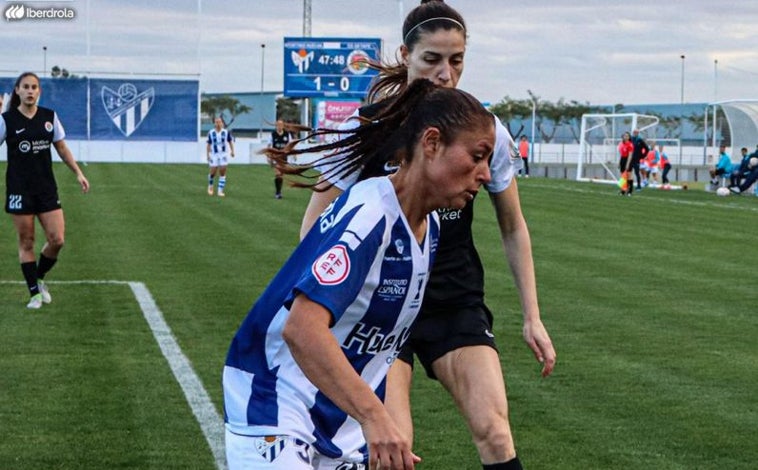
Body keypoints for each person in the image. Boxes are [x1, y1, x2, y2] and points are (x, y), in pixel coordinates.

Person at [299, 2, 556, 469]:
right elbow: (316, 225)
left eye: (456, 60)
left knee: (496, 432)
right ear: (405, 55)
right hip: (380, 307)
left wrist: (532, 316)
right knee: (393, 447)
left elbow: (513, 226)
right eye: (432, 59)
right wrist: (319, 302)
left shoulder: (486, 130)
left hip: (450, 299)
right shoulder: (368, 127)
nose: (445, 72)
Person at [223, 80, 496, 470]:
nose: (485, 174)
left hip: (341, 423)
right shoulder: (371, 216)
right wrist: (376, 415)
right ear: (431, 144)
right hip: (274, 400)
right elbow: (302, 329)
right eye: (477, 156)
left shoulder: (429, 228)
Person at [1, 72, 90, 309]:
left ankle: (39, 279)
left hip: (46, 189)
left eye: (34, 87)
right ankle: (35, 295)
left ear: (39, 91)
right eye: (25, 87)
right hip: (19, 189)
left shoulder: (49, 117)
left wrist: (78, 173)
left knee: (57, 240)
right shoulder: (6, 120)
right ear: (17, 91)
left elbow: (61, 147)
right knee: (26, 241)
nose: (30, 91)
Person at [206, 116, 235, 197]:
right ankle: (210, 186)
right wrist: (208, 155)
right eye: (216, 122)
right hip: (214, 155)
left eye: (219, 122)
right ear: (214, 123)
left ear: (222, 123)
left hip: (223, 154)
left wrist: (232, 151)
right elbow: (208, 144)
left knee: (222, 172)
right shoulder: (211, 133)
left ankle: (220, 191)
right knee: (213, 173)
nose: (218, 124)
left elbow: (230, 142)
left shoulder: (226, 132)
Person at [268, 119, 291, 199]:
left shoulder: (287, 135)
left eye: (281, 125)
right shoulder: (273, 134)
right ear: (276, 126)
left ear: (283, 126)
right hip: (276, 157)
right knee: (278, 174)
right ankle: (278, 193)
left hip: (284, 158)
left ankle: (279, 191)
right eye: (278, 125)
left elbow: (290, 145)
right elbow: (269, 146)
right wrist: (269, 157)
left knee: (281, 175)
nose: (279, 126)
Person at [617, 131, 634, 195]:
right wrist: (619, 162)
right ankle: (623, 190)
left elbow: (630, 155)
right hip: (623, 159)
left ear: (629, 137)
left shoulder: (630, 144)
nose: (626, 137)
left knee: (629, 175)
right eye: (625, 136)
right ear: (623, 137)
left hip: (628, 160)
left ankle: (630, 191)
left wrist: (627, 164)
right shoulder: (621, 144)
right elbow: (621, 154)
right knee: (622, 176)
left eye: (627, 136)